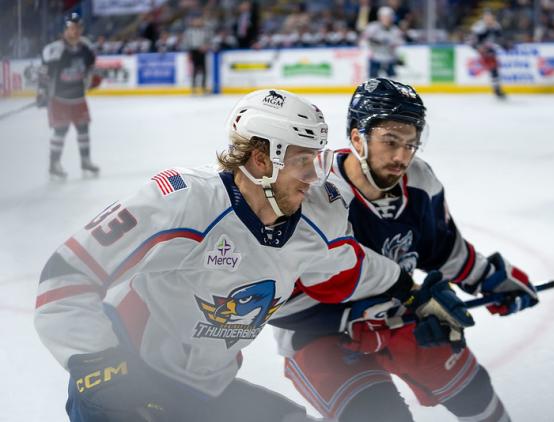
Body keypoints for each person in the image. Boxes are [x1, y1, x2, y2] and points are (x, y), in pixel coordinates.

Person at [33, 88, 472, 421]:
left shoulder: (317, 216)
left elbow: (352, 265)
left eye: (317, 159)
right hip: (126, 380)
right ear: (261, 160)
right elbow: (66, 275)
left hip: (205, 391)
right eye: (302, 161)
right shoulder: (184, 200)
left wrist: (413, 290)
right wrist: (101, 366)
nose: (315, 176)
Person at [271, 78, 540, 422]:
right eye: (390, 141)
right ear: (357, 137)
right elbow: (285, 296)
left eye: (411, 144)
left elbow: (442, 248)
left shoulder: (420, 181)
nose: (402, 157)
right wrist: (360, 316)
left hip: (401, 314)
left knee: (476, 395)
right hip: (319, 335)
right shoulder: (314, 192)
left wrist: (490, 278)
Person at [37, 12, 100, 180]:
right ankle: (54, 164)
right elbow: (44, 73)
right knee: (60, 130)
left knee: (83, 129)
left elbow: (90, 68)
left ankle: (85, 161)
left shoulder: (86, 48)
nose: (76, 31)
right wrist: (42, 91)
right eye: (72, 28)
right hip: (60, 99)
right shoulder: (55, 50)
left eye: (78, 27)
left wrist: (92, 79)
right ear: (65, 30)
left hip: (78, 97)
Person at [470, 10, 507, 99]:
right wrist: (479, 48)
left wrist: (504, 44)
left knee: (494, 69)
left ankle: (496, 88)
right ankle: (497, 89)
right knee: (493, 67)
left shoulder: (496, 26)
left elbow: (500, 38)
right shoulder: (479, 27)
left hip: (490, 48)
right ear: (483, 18)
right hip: (482, 49)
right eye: (486, 17)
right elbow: (471, 41)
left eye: (490, 17)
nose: (488, 19)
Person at [362, 6, 404, 78]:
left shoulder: (395, 30)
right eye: (384, 17)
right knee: (373, 81)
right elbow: (364, 39)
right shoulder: (372, 27)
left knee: (393, 80)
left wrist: (397, 56)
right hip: (375, 58)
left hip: (389, 59)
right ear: (379, 17)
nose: (386, 19)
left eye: (388, 17)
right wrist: (375, 42)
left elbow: (399, 43)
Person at [183, 16, 210, 94]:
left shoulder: (204, 31)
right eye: (196, 21)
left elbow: (208, 41)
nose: (198, 22)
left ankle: (203, 87)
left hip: (202, 52)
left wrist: (205, 46)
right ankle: (194, 88)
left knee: (204, 70)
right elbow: (187, 43)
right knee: (195, 70)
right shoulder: (189, 32)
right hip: (194, 51)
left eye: (199, 21)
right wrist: (189, 52)